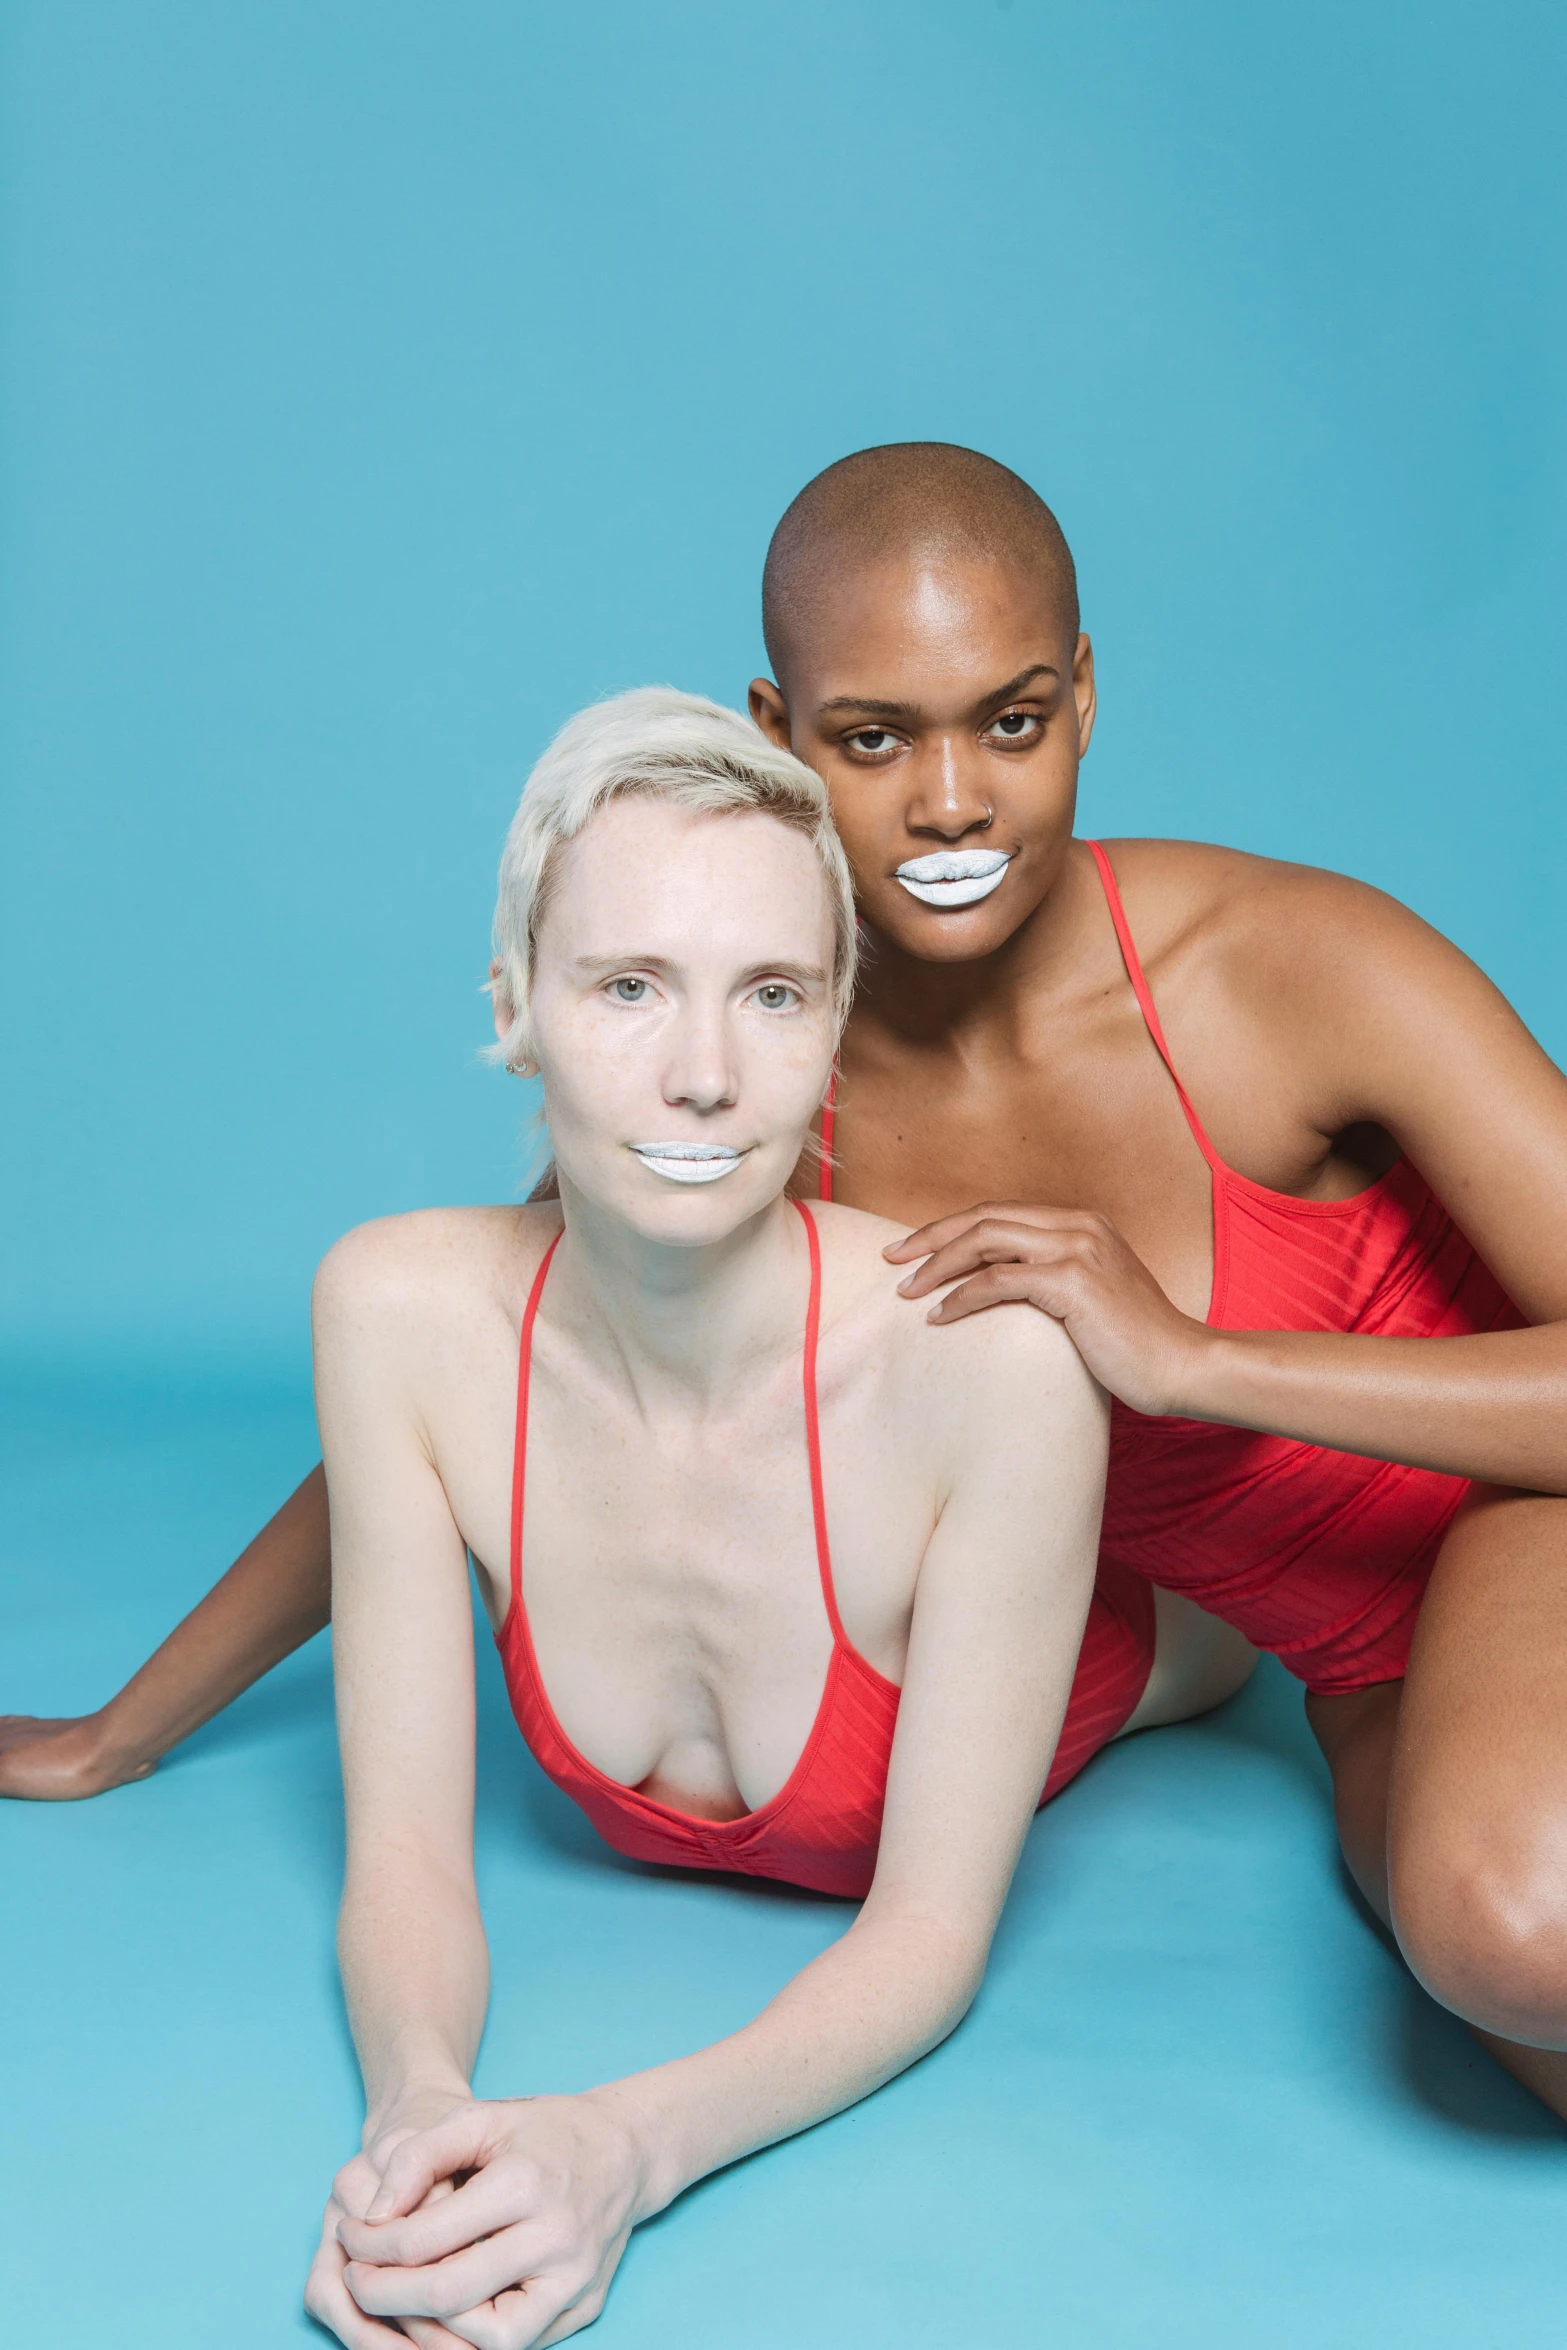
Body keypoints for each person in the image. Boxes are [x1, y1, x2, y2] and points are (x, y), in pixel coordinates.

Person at [13, 437, 1560, 2108]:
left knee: (1514, 1920)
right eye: (874, 738)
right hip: (1346, 1671)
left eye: (1011, 720)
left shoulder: (1284, 968)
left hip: (1516, 1514)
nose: (953, 801)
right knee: (1516, 1991)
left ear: (1086, 697)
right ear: (777, 736)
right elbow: (474, 1385)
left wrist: (1192, 1362)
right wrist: (131, 1725)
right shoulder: (760, 1075)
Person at [300, 687, 1175, 2346]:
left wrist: (620, 2148)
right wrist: (417, 2117)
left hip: (1184, 1602)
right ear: (514, 1006)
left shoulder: (996, 1373)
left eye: (770, 993)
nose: (701, 1075)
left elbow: (925, 1937)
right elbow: (408, 1851)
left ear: (835, 1024)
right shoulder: (394, 1312)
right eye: (627, 986)